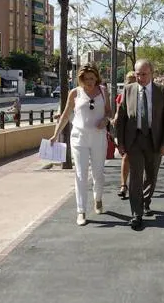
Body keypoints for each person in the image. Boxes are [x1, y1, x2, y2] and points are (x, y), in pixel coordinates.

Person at [49, 64, 112, 226]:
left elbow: (109, 112)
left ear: (97, 77)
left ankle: (98, 199)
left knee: (98, 173)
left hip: (98, 137)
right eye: (86, 79)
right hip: (79, 138)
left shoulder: (103, 91)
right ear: (81, 79)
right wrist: (55, 134)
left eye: (92, 78)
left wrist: (105, 120)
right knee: (80, 174)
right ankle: (81, 211)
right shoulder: (75, 93)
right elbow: (65, 115)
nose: (90, 82)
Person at [115, 59, 164, 230]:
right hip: (135, 140)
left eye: (144, 74)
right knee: (135, 178)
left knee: (151, 176)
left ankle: (146, 201)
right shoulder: (128, 90)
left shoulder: (161, 91)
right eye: (137, 74)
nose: (140, 78)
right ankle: (136, 214)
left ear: (152, 73)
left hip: (155, 140)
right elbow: (122, 118)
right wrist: (120, 142)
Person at [115, 71, 136, 199]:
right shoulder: (123, 95)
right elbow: (119, 111)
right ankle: (123, 185)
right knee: (126, 157)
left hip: (141, 131)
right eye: (129, 79)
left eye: (133, 79)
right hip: (127, 132)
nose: (131, 81)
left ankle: (139, 186)